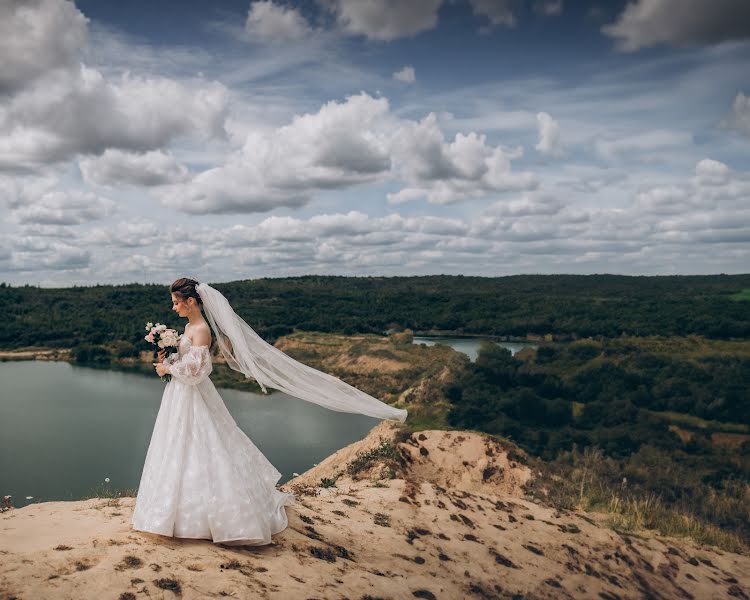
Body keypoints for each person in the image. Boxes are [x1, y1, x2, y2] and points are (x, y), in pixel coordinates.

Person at [131, 277, 407, 546]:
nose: (173, 307)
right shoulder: (192, 326)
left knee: (203, 446)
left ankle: (207, 517)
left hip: (191, 394)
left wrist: (168, 368)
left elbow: (198, 372)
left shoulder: (200, 329)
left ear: (191, 301)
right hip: (181, 396)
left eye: (176, 302)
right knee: (181, 446)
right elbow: (188, 364)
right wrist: (168, 356)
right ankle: (177, 510)